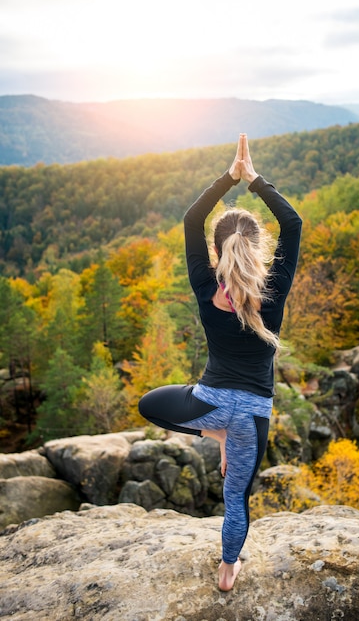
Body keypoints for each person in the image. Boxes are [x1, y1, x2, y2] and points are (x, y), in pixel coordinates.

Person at [138, 134, 302, 591]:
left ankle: (215, 432)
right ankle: (228, 571)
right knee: (236, 499)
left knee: (149, 404)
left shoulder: (202, 280)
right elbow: (293, 224)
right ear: (258, 249)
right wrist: (254, 181)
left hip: (206, 403)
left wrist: (228, 177)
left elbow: (192, 217)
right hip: (252, 415)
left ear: (215, 250)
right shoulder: (274, 287)